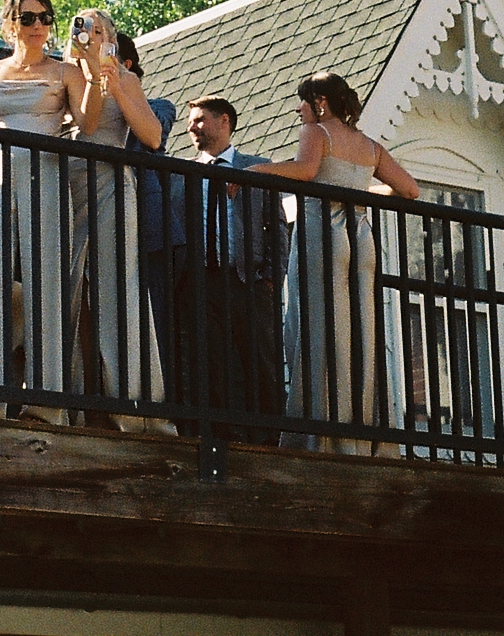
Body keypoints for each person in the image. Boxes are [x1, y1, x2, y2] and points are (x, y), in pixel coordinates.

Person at [246, 71, 419, 454]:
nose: (298, 109)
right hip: (361, 241)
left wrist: (255, 170)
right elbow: (409, 189)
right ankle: (362, 432)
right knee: (360, 332)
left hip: (322, 236)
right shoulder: (369, 145)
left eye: (303, 101)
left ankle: (320, 434)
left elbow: (305, 171)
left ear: (320, 102)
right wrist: (357, 191)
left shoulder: (317, 133)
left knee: (317, 330)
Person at [0, 0, 100, 420]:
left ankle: (47, 400)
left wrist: (92, 70)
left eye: (45, 17)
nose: (39, 26)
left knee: (46, 282)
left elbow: (89, 124)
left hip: (47, 172)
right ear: (11, 22)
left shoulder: (65, 72)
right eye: (29, 17)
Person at [66, 11, 170, 431]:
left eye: (99, 29)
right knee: (63, 288)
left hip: (110, 180)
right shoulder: (61, 74)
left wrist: (118, 83)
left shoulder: (127, 79)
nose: (89, 35)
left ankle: (136, 402)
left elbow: (153, 137)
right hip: (66, 181)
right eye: (82, 28)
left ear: (109, 37)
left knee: (119, 289)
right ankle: (63, 397)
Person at [170, 95, 281, 443]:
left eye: (200, 120)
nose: (192, 127)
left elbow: (275, 226)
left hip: (248, 277)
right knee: (211, 362)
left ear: (224, 121)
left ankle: (269, 435)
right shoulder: (183, 174)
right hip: (201, 280)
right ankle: (220, 435)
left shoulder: (256, 167)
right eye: (190, 122)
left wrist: (272, 277)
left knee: (260, 360)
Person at [117, 34, 183, 389]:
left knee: (155, 320)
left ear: (126, 64)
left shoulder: (160, 106)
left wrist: (120, 91)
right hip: (107, 221)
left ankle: (159, 401)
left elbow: (143, 136)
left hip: (151, 230)